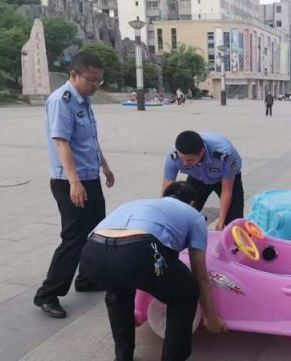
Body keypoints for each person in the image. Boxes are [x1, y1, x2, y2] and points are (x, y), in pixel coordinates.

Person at [80, 182, 227, 361]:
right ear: (193, 203)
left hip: (92, 254)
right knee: (186, 292)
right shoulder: (193, 214)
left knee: (117, 292)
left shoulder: (137, 203)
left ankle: (123, 357)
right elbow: (200, 275)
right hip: (138, 252)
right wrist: (211, 317)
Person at [34, 52, 115, 318]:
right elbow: (62, 143)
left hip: (89, 177)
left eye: (99, 81)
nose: (94, 86)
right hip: (70, 180)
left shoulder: (84, 100)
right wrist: (74, 183)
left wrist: (104, 164)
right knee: (73, 238)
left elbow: (90, 138)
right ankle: (48, 294)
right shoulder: (62, 101)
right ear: (73, 75)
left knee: (96, 231)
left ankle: (86, 278)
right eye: (91, 80)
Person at [162, 131, 243, 231]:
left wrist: (221, 220)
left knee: (234, 225)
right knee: (181, 217)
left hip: (225, 178)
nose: (185, 163)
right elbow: (167, 191)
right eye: (182, 159)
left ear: (202, 152)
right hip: (197, 177)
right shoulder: (173, 156)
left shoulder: (224, 154)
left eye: (189, 160)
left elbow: (227, 190)